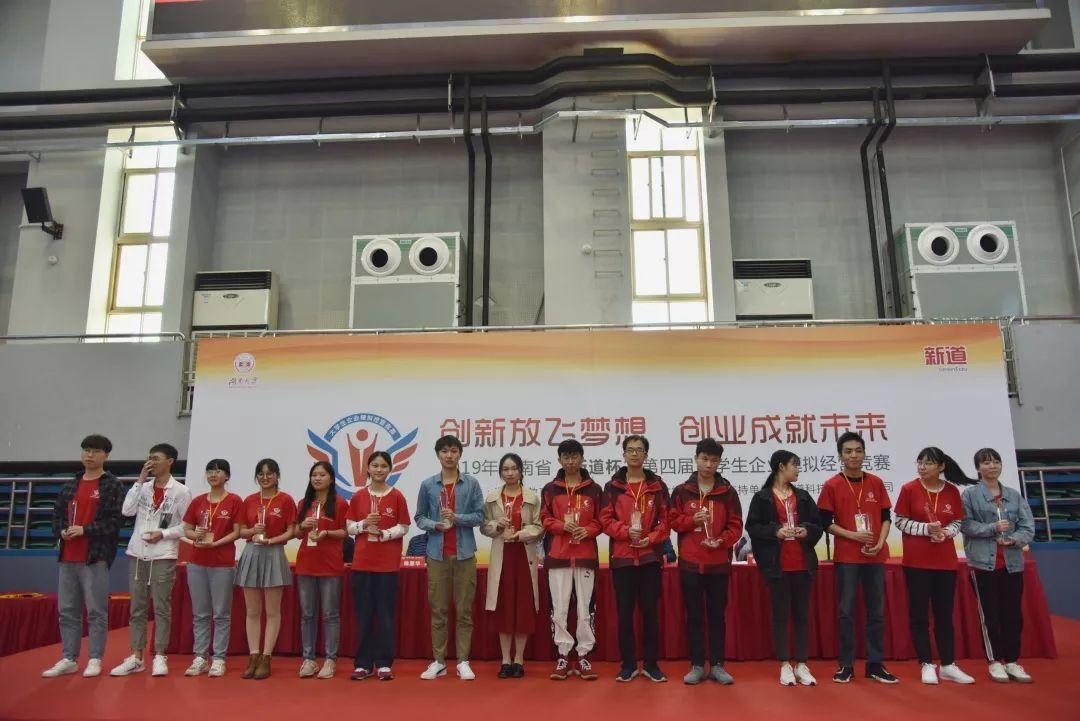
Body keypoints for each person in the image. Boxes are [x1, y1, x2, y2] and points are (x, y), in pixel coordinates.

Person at [817, 431, 898, 684]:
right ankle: (846, 665)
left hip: (875, 555)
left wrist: (880, 542)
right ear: (840, 455)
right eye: (848, 451)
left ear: (864, 453)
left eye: (858, 450)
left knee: (877, 612)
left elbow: (886, 517)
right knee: (846, 612)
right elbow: (825, 523)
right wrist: (853, 535)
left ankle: (875, 664)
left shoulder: (876, 482)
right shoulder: (832, 485)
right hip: (848, 557)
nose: (854, 455)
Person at [41, 435, 124, 679]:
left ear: (105, 455)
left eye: (95, 451)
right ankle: (69, 658)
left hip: (95, 557)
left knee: (96, 611)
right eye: (86, 450)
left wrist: (85, 530)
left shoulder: (112, 485)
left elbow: (115, 521)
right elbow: (56, 516)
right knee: (67, 610)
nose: (89, 455)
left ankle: (95, 658)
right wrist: (61, 531)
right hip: (67, 556)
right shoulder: (71, 484)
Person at [895, 447, 977, 685]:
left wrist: (946, 533)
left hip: (945, 562)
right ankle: (926, 664)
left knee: (944, 615)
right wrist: (925, 529)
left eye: (928, 463)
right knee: (919, 614)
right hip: (916, 562)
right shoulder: (909, 489)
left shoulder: (951, 491)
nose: (922, 467)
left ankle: (949, 665)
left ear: (941, 467)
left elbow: (957, 521)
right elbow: (900, 521)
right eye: (919, 462)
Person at [111, 443, 192, 678]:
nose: (151, 462)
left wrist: (163, 533)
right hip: (138, 553)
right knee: (137, 608)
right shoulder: (143, 488)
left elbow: (187, 526)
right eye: (150, 458)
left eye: (156, 458)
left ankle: (160, 655)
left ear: (170, 461)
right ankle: (136, 657)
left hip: (163, 554)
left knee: (161, 607)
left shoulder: (181, 491)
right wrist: (139, 481)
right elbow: (127, 511)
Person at [745, 450, 823, 687]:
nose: (798, 469)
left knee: (801, 616)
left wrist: (806, 530)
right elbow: (752, 527)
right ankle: (784, 664)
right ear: (781, 467)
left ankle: (802, 664)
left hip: (803, 565)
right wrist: (775, 531)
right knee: (780, 616)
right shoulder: (762, 497)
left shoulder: (804, 497)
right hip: (776, 566)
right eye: (794, 465)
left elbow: (818, 525)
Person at [669, 437, 744, 686]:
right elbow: (673, 521)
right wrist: (692, 521)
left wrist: (721, 541)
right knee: (693, 617)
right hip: (690, 564)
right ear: (696, 459)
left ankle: (718, 665)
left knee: (716, 616)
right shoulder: (682, 491)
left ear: (719, 462)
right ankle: (698, 665)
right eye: (704, 459)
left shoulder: (728, 492)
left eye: (714, 460)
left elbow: (736, 526)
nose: (709, 465)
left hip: (718, 564)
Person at [600, 434, 671, 683]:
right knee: (625, 613)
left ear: (645, 455)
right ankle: (628, 664)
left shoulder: (657, 486)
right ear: (623, 454)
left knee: (651, 614)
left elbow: (666, 522)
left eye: (639, 450)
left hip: (650, 559)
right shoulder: (612, 487)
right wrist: (625, 532)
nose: (634, 454)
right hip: (623, 559)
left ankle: (651, 664)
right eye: (630, 449)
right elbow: (605, 520)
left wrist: (650, 538)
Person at [961, 447, 1035, 683]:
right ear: (977, 468)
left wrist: (1015, 539)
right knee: (990, 615)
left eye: (996, 462)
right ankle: (994, 661)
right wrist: (992, 528)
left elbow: (1028, 527)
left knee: (1013, 615)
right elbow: (966, 525)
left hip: (1012, 563)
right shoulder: (970, 495)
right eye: (986, 463)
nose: (992, 466)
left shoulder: (1013, 495)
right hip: (984, 564)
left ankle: (1012, 661)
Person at [413, 435, 484, 681]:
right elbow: (419, 517)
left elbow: (480, 516)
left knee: (464, 610)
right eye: (444, 451)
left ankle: (463, 661)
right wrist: (435, 525)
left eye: (454, 451)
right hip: (436, 555)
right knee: (439, 610)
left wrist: (457, 518)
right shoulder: (428, 485)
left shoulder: (471, 484)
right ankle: (439, 661)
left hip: (464, 555)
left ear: (460, 454)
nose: (449, 455)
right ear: (438, 455)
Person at [540, 439, 604, 681]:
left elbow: (602, 520)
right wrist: (561, 526)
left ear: (582, 458)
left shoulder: (594, 489)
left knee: (585, 609)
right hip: (558, 556)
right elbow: (544, 518)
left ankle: (584, 655)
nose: (570, 461)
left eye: (574, 456)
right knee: (559, 609)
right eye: (565, 457)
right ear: (559, 460)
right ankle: (563, 655)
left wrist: (587, 530)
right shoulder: (551, 489)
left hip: (585, 556)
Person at [347, 451, 411, 681]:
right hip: (362, 564)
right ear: (368, 468)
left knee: (385, 616)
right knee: (364, 616)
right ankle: (363, 664)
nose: (379, 470)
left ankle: (384, 664)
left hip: (387, 566)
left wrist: (385, 534)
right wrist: (364, 525)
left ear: (390, 469)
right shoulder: (358, 496)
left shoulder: (397, 496)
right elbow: (348, 527)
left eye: (383, 466)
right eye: (374, 465)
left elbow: (404, 526)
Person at [481, 453, 544, 678]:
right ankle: (505, 660)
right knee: (504, 610)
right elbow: (484, 527)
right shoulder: (492, 498)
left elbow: (539, 527)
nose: (510, 473)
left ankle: (519, 660)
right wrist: (497, 526)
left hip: (524, 556)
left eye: (514, 468)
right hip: (502, 556)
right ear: (500, 472)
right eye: (506, 469)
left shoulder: (532, 497)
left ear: (521, 471)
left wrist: (522, 533)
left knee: (523, 609)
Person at [235, 458, 296, 680]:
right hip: (252, 552)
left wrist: (272, 540)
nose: (265, 477)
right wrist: (252, 531)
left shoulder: (285, 500)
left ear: (277, 475)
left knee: (272, 611)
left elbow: (292, 530)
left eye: (270, 473)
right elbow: (241, 531)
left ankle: (266, 657)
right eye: (261, 473)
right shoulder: (250, 500)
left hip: (274, 552)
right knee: (252, 611)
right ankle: (253, 655)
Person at [182, 459, 243, 677]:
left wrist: (216, 543)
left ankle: (218, 658)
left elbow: (237, 532)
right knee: (200, 613)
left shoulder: (234, 500)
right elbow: (187, 529)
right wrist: (195, 535)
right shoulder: (198, 501)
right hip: (197, 562)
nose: (213, 475)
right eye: (210, 471)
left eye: (218, 471)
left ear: (227, 476)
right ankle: (200, 657)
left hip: (222, 563)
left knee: (221, 614)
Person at [294, 461, 349, 679]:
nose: (317, 478)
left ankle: (330, 659)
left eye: (322, 475)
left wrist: (327, 533)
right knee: (307, 614)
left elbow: (345, 532)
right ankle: (308, 659)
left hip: (330, 565)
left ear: (331, 479)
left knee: (330, 614)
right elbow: (296, 534)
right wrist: (302, 526)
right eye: (314, 475)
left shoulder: (340, 503)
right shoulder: (304, 503)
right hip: (306, 564)